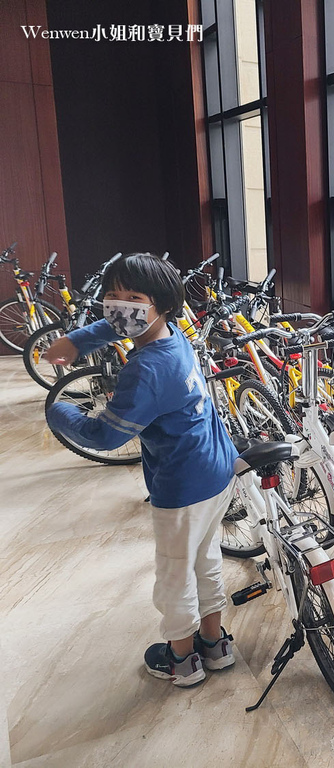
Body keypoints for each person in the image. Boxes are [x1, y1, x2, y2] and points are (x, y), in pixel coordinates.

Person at [44, 253, 239, 687]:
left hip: (182, 486)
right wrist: (78, 341)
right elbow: (118, 325)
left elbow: (106, 437)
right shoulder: (174, 335)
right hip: (217, 468)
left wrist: (59, 412)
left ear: (162, 304)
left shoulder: (147, 369)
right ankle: (215, 644)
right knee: (204, 558)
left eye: (133, 298)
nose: (120, 307)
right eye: (112, 296)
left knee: (174, 573)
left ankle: (182, 659)